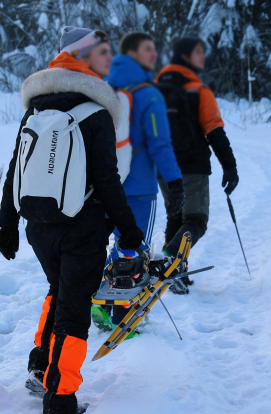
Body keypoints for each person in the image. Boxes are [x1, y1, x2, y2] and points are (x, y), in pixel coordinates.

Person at [0, 26, 145, 414]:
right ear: (82, 56)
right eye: (101, 52)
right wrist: (130, 229)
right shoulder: (95, 113)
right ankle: (60, 398)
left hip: (37, 227)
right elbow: (108, 183)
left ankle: (40, 367)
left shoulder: (36, 109)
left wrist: (7, 224)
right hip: (82, 228)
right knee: (74, 310)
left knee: (58, 289)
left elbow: (15, 170)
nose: (107, 59)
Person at [93, 32, 184, 328]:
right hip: (141, 188)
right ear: (132, 53)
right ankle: (122, 315)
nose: (154, 54)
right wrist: (174, 181)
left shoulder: (103, 88)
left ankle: (101, 304)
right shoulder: (149, 95)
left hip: (107, 185)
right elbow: (160, 144)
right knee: (134, 248)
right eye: (148, 49)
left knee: (117, 246)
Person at [155, 37, 239, 294]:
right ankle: (169, 261)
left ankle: (175, 273)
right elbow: (215, 132)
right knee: (196, 220)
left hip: (163, 166)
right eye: (198, 53)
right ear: (185, 57)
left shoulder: (155, 90)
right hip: (192, 167)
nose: (203, 57)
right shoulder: (199, 91)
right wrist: (230, 167)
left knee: (176, 217)